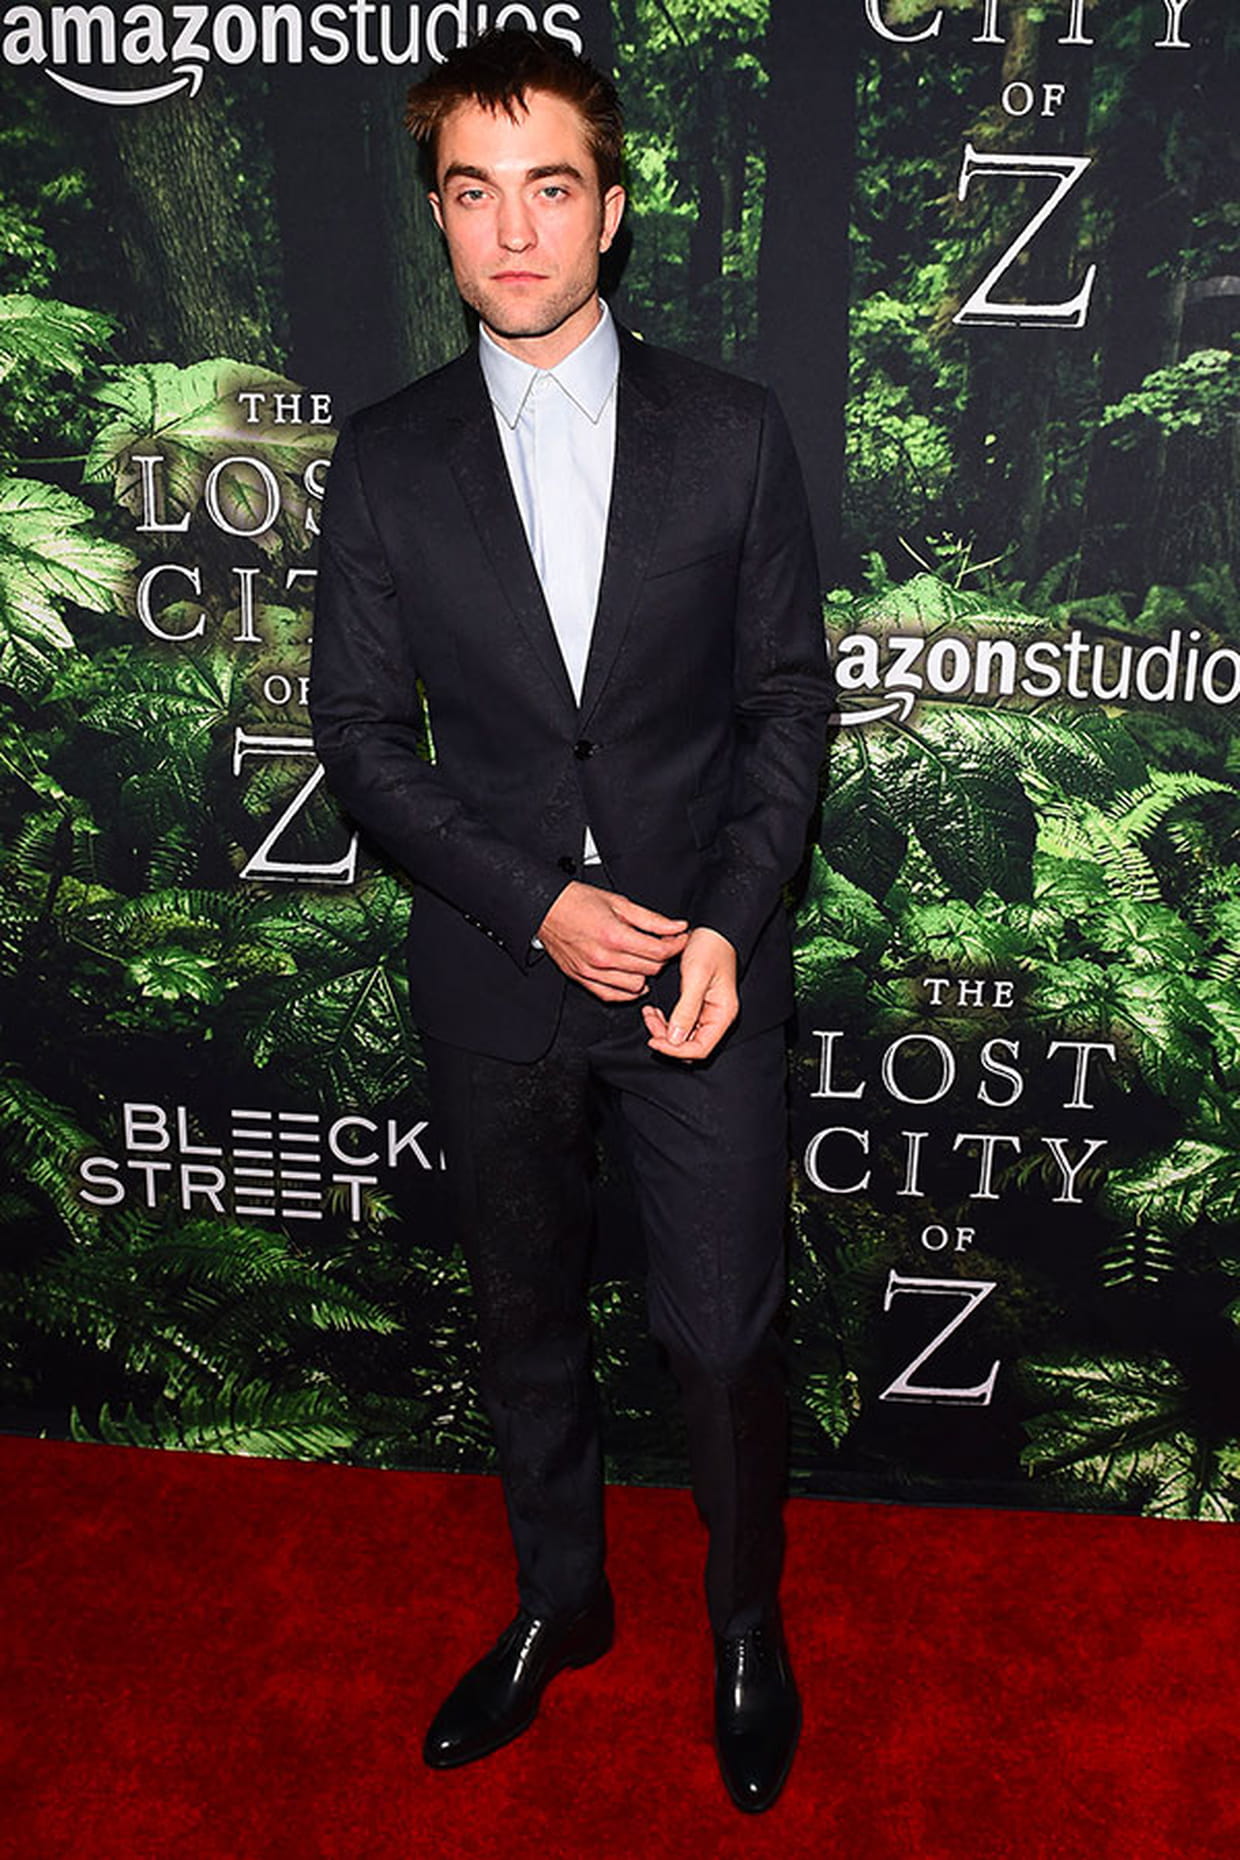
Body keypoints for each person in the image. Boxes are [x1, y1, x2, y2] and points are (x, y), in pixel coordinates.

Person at [310, 27, 831, 1814]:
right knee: (524, 1321)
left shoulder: (733, 435)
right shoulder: (386, 460)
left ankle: (745, 1627)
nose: (514, 231)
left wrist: (727, 923)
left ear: (610, 212)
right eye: (476, 193)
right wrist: (540, 907)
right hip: (496, 969)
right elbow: (360, 742)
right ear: (440, 220)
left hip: (702, 973)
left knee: (722, 1333)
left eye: (551, 189)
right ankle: (563, 1601)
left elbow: (787, 706)